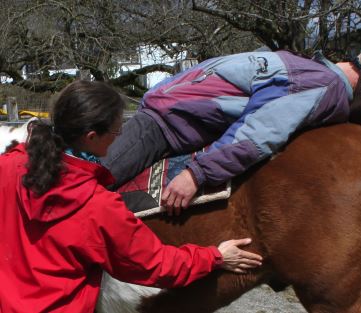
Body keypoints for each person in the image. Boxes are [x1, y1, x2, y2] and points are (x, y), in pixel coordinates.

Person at [0, 81, 263, 313]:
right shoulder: (96, 204)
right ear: (92, 137)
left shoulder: (7, 167)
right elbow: (155, 265)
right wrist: (215, 257)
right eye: (117, 131)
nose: (120, 136)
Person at [101, 47, 361, 215]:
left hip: (163, 123)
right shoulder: (323, 77)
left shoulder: (324, 85)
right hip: (167, 116)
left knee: (85, 179)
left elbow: (259, 131)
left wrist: (196, 174)